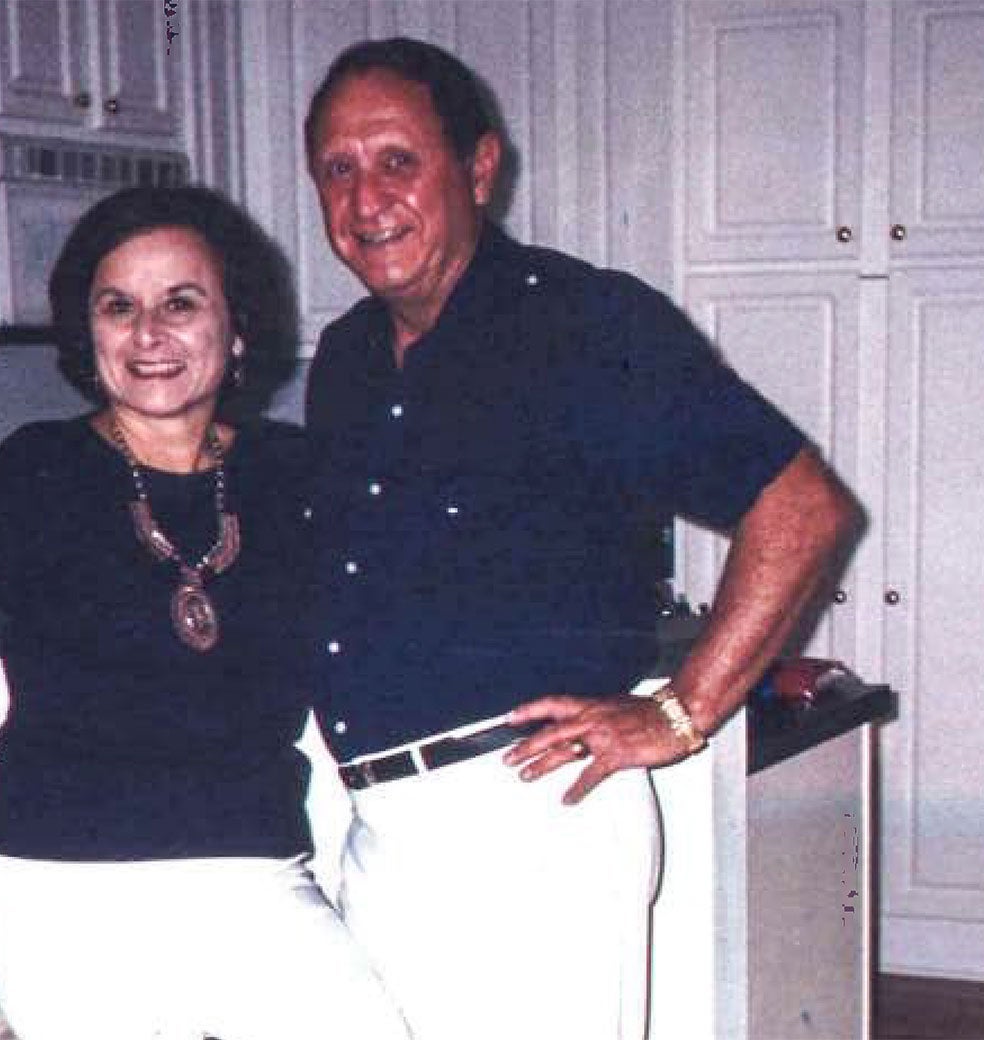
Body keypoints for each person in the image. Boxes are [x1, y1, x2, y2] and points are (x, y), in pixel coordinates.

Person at [300, 37, 862, 1040]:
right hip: (381, 827)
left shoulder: (583, 326)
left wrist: (684, 711)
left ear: (478, 167)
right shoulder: (347, 357)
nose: (365, 198)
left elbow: (803, 505)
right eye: (337, 169)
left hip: (531, 821)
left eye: (397, 159)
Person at [0, 185, 410, 1040]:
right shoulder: (41, 473)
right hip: (63, 887)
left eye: (182, 303)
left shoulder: (296, 473)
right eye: (119, 307)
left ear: (237, 329)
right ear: (89, 337)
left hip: (255, 876)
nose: (150, 335)